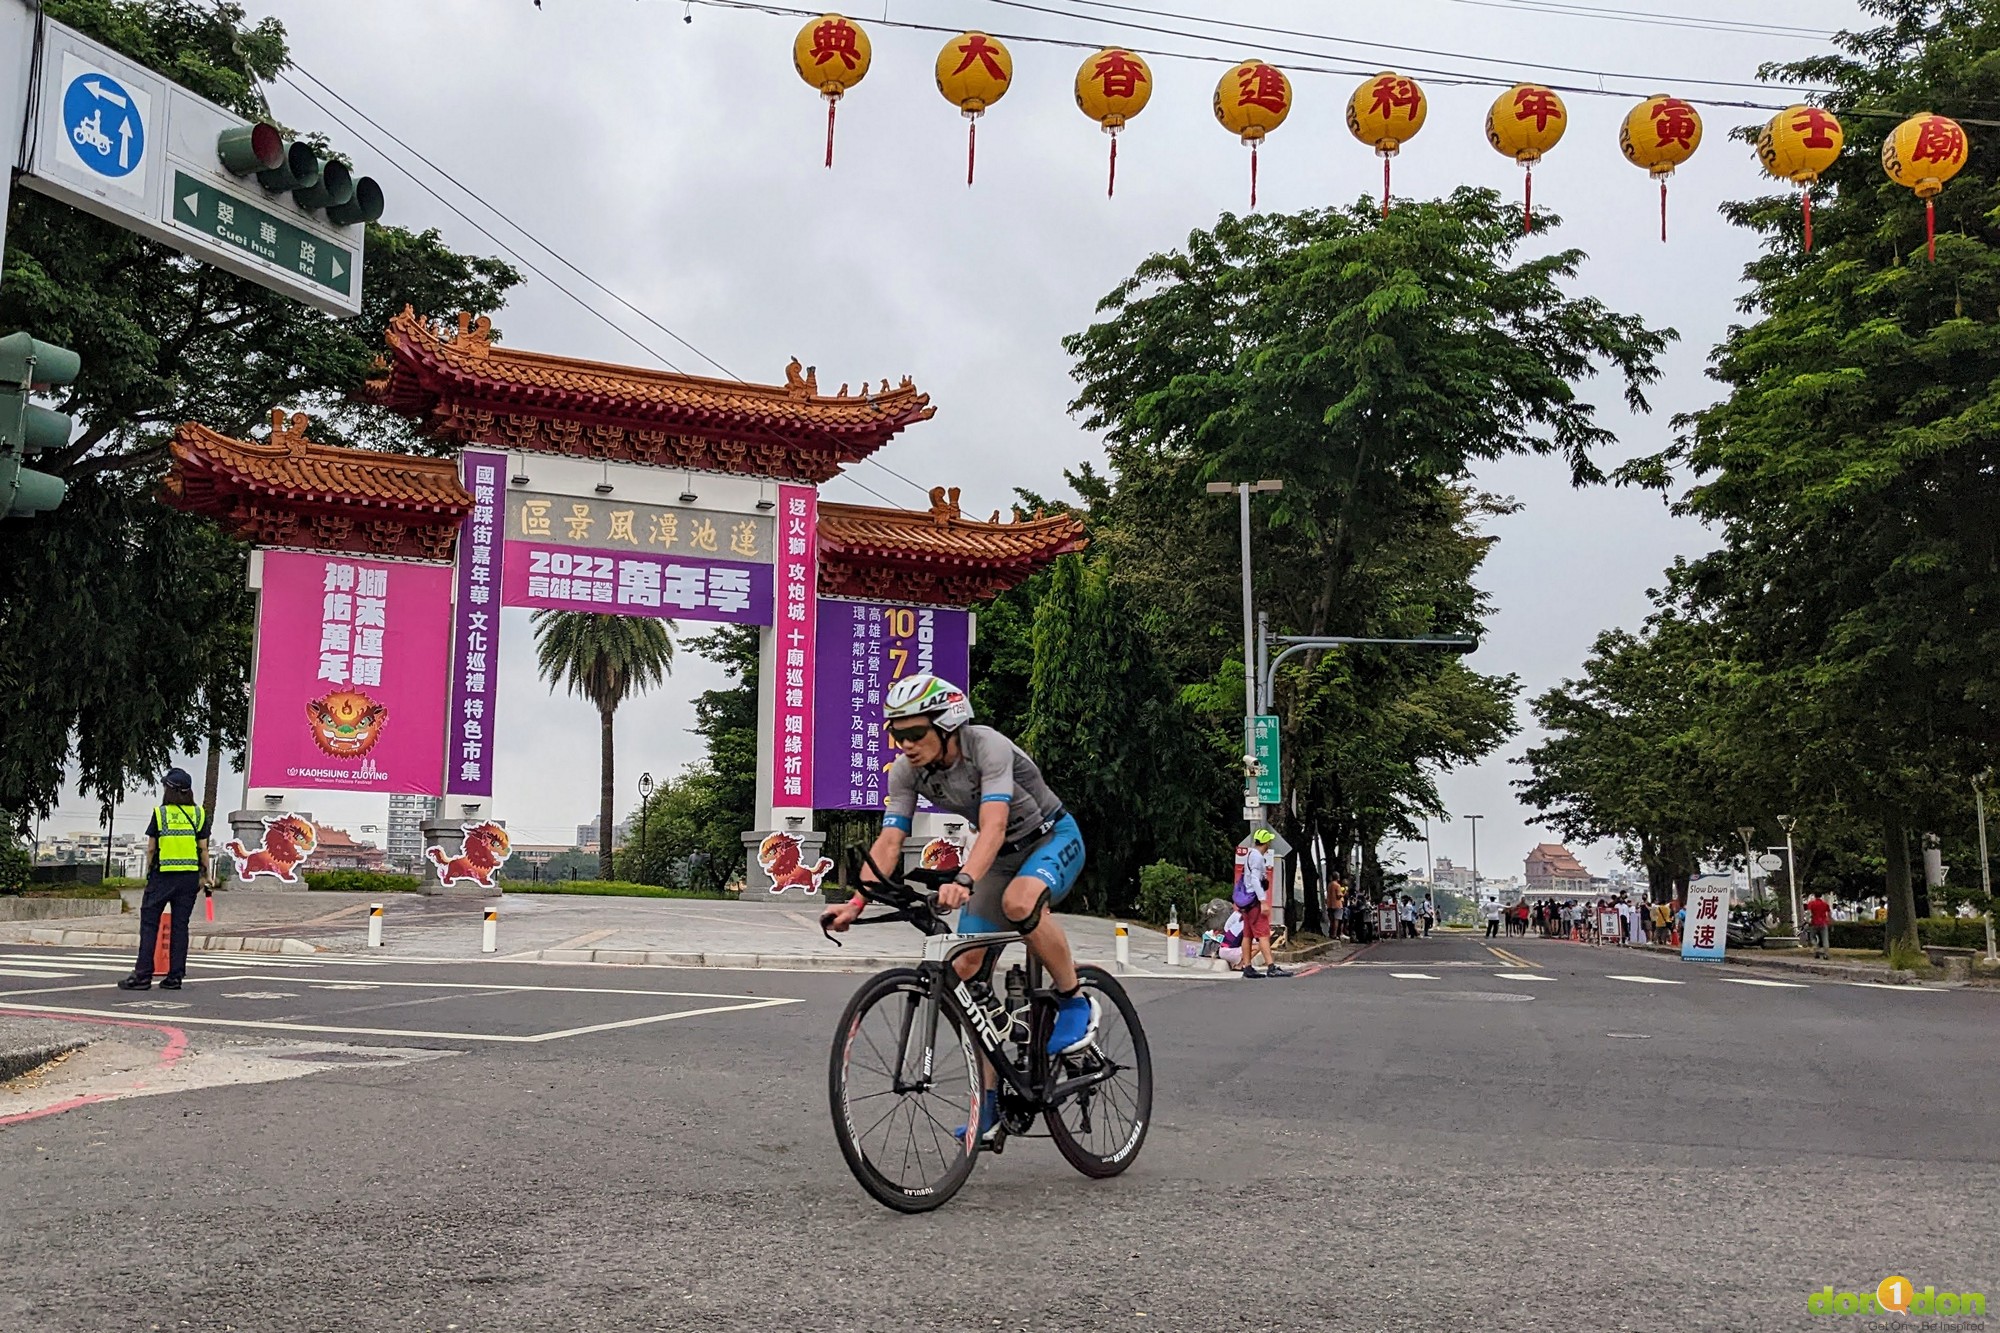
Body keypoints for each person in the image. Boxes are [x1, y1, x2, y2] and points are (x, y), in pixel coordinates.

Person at [820, 675, 1096, 1141]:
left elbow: (992, 825)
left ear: (947, 726)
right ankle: (987, 1106)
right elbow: (890, 841)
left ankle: (1073, 1000)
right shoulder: (905, 772)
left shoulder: (987, 747)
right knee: (965, 972)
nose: (903, 744)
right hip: (1000, 858)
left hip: (1050, 839)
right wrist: (856, 903)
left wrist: (965, 878)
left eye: (914, 733)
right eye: (896, 734)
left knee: (1019, 902)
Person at [119, 768, 212, 992]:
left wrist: (149, 873)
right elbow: (203, 850)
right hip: (189, 879)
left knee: (150, 924)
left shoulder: (160, 814)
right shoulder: (198, 814)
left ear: (169, 789)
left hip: (162, 877)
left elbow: (151, 848)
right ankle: (175, 977)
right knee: (180, 927)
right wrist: (206, 877)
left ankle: (142, 976)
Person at [1237, 828, 1290, 979]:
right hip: (1254, 902)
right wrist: (1263, 901)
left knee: (1247, 935)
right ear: (1266, 842)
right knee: (1263, 935)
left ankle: (1247, 967)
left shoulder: (1250, 855)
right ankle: (1271, 967)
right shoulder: (1258, 857)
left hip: (1247, 902)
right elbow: (1254, 879)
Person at [1805, 890, 1833, 958]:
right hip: (1823, 923)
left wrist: (1808, 921)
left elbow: (1808, 913)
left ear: (1814, 896)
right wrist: (1830, 922)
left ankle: (1816, 948)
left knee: (1812, 938)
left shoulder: (1811, 903)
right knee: (1825, 939)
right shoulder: (1825, 904)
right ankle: (1826, 954)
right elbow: (1829, 914)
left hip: (1814, 923)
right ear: (1821, 896)